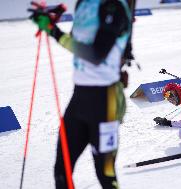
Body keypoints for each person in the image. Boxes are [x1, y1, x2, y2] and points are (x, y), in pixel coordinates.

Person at [29, 0, 134, 188]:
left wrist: (54, 30)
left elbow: (95, 54)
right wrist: (54, 19)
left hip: (105, 100)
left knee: (106, 175)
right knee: (62, 172)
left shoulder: (114, 6)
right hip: (79, 98)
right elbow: (78, 42)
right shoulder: (83, 3)